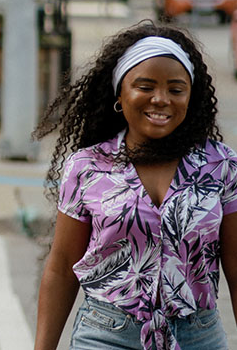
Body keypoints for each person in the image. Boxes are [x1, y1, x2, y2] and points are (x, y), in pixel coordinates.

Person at [33, 21, 237, 349]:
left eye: (175, 89)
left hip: (197, 337)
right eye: (145, 86)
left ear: (190, 96)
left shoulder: (221, 166)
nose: (160, 99)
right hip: (106, 335)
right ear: (120, 94)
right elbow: (60, 268)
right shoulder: (87, 167)